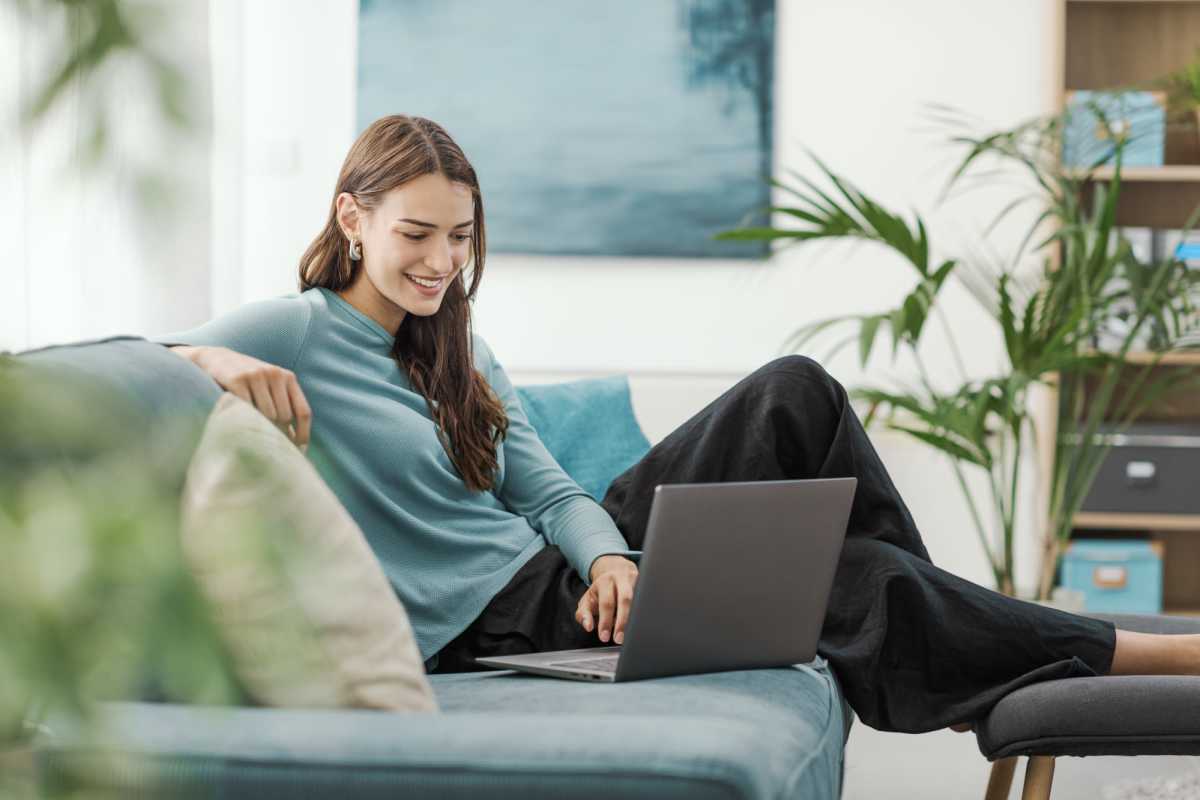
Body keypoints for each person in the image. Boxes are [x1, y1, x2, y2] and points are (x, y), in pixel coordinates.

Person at [163, 114, 1200, 735]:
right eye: (415, 235)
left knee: (795, 388)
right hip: (504, 625)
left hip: (570, 577)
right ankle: (1145, 652)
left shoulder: (455, 347)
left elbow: (549, 491)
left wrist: (611, 558)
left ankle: (953, 644)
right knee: (851, 579)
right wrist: (204, 356)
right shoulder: (286, 331)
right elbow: (90, 365)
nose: (441, 262)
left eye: (461, 237)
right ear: (352, 220)